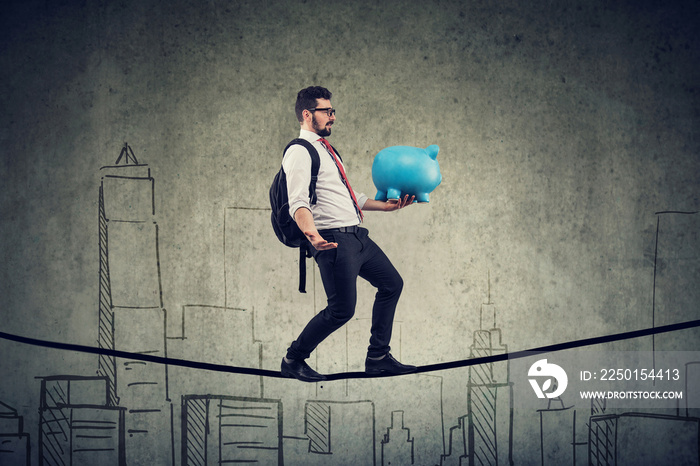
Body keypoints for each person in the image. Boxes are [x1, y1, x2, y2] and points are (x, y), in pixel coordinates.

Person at [280, 86, 417, 382]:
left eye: (332, 111)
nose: (333, 117)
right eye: (326, 111)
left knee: (392, 284)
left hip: (357, 238)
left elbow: (346, 194)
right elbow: (298, 201)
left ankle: (378, 356)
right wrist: (313, 236)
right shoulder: (298, 152)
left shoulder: (328, 151)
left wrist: (385, 206)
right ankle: (293, 359)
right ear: (307, 114)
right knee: (342, 310)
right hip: (333, 241)